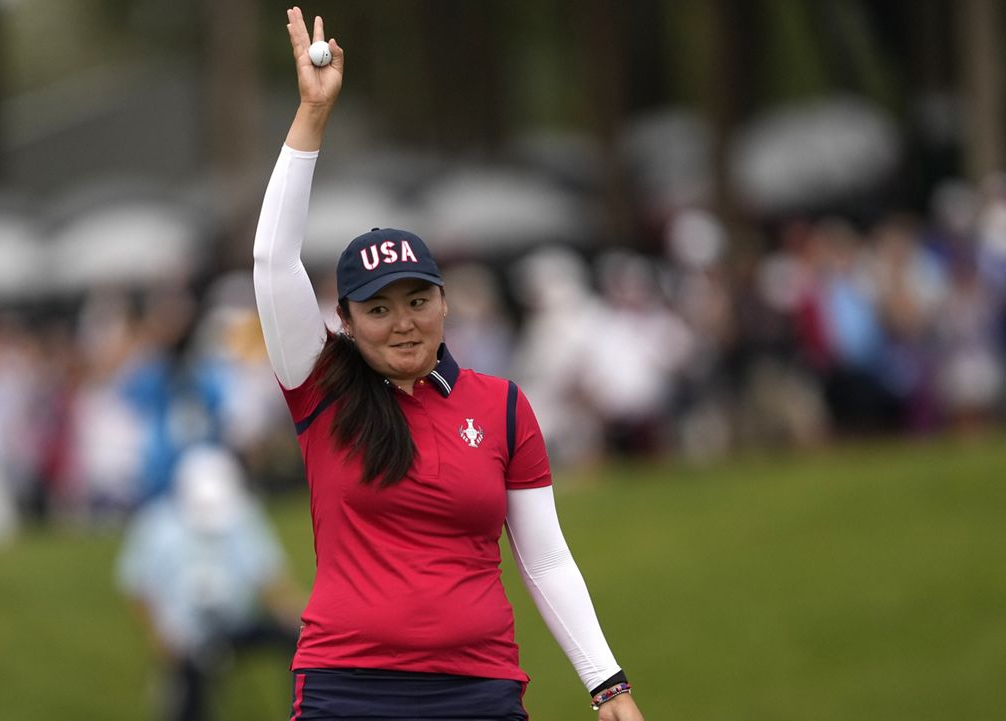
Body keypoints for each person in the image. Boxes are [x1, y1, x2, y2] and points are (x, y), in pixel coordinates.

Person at [251, 8, 646, 720]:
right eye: (377, 308)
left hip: (479, 689)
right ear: (345, 320)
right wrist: (312, 116)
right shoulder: (320, 388)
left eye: (417, 299)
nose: (402, 322)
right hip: (347, 689)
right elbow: (271, 260)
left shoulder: (501, 406)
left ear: (444, 300)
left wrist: (607, 682)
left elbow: (545, 558)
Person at [116, 444, 303, 721]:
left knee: (295, 640)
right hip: (185, 636)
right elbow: (137, 586)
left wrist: (303, 618)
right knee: (189, 692)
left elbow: (268, 575)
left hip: (236, 624)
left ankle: (303, 710)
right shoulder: (157, 525)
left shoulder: (244, 516)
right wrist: (161, 635)